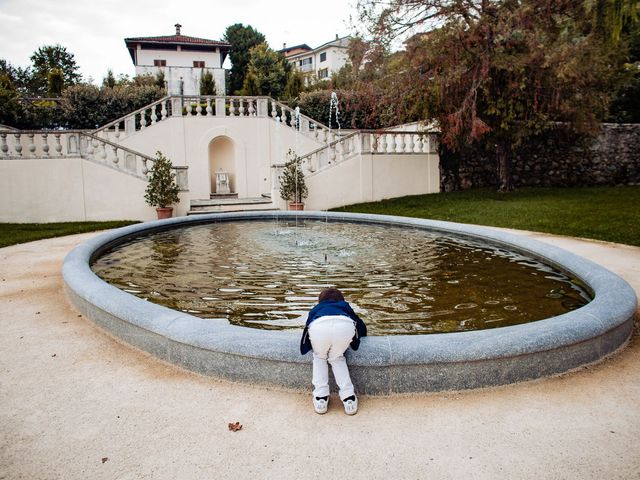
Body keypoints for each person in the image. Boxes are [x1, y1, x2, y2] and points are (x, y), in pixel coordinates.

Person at [299, 287, 367, 415]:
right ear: (341, 300)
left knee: (319, 358)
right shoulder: (345, 306)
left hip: (319, 326)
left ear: (321, 301)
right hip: (344, 325)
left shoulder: (316, 309)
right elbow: (359, 324)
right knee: (336, 358)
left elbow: (307, 326)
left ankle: (321, 398)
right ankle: (349, 399)